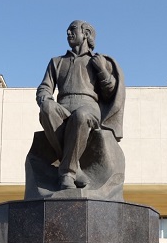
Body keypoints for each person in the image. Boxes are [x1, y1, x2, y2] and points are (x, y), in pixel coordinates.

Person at [36, 20, 125, 190]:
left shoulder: (98, 60)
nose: (68, 33)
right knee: (46, 108)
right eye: (67, 30)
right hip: (62, 107)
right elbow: (45, 87)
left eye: (72, 29)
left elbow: (110, 92)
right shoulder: (56, 61)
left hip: (89, 107)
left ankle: (67, 173)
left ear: (85, 34)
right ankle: (75, 167)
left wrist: (102, 70)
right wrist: (44, 98)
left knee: (81, 116)